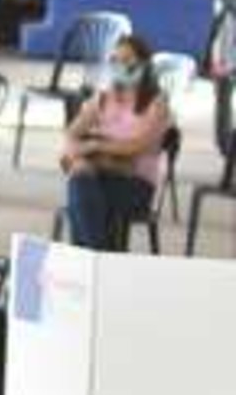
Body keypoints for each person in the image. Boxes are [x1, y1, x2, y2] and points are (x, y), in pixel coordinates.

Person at [63, 32, 171, 250]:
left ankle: (90, 258)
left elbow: (136, 147)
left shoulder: (157, 104)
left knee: (82, 192)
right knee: (81, 179)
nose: (120, 67)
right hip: (101, 173)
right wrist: (78, 151)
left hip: (136, 185)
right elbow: (72, 133)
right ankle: (101, 256)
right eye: (115, 61)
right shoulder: (104, 97)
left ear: (144, 65)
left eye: (127, 61)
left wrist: (95, 146)